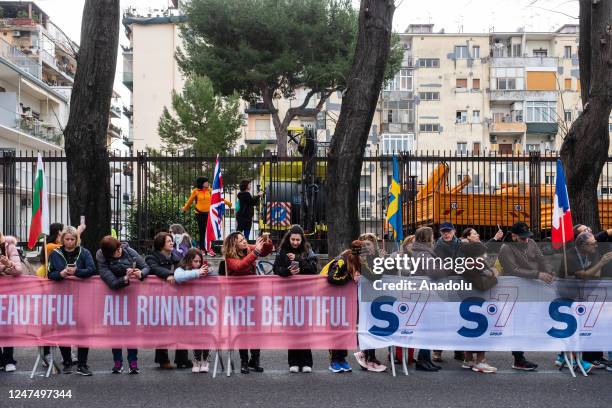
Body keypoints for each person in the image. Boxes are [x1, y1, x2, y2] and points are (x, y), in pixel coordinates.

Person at [498, 221, 553, 371]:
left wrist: (549, 271)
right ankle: (518, 358)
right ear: (514, 236)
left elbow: (542, 259)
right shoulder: (506, 248)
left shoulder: (531, 242)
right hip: (516, 291)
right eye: (522, 238)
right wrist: (537, 274)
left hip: (532, 288)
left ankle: (521, 355)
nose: (526, 240)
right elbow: (513, 269)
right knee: (518, 323)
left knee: (526, 322)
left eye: (527, 237)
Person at [97, 236, 150, 374]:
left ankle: (133, 362)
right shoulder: (102, 257)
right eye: (116, 251)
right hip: (113, 298)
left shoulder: (129, 250)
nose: (119, 251)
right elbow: (111, 282)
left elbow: (145, 267)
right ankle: (117, 362)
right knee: (115, 330)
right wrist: (125, 278)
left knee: (131, 330)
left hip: (131, 296)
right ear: (109, 253)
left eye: (120, 248)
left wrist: (140, 273)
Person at [47, 226, 96, 376]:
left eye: (72, 239)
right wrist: (61, 273)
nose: (70, 242)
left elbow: (92, 269)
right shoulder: (55, 253)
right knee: (63, 329)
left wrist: (77, 272)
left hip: (82, 297)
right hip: (62, 297)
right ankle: (67, 362)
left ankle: (82, 364)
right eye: (67, 239)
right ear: (62, 240)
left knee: (83, 329)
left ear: (77, 239)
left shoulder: (84, 252)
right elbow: (50, 274)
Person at [223, 231, 273, 373]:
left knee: (256, 329)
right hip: (238, 298)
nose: (244, 241)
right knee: (243, 330)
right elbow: (240, 266)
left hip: (253, 295)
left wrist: (266, 241)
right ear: (234, 244)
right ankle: (244, 361)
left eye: (244, 238)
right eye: (240, 240)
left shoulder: (249, 249)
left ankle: (254, 360)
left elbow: (265, 251)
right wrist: (256, 251)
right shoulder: (229, 257)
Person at [273, 225, 319, 373]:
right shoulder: (282, 250)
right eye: (292, 239)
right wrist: (287, 271)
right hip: (289, 295)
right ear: (289, 238)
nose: (295, 242)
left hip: (305, 295)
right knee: (292, 328)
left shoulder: (307, 250)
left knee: (305, 328)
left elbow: (313, 269)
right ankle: (293, 362)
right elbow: (276, 269)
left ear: (302, 239)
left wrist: (298, 260)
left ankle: (307, 362)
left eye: (297, 240)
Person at [145, 232, 192, 369]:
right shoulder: (151, 257)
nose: (172, 243)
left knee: (182, 326)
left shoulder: (177, 256)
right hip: (160, 298)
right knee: (162, 328)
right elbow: (155, 269)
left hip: (177, 296)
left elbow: (184, 268)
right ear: (161, 244)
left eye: (172, 241)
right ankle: (162, 359)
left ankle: (182, 358)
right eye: (168, 241)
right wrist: (170, 275)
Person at [457, 228, 500, 373]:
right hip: (475, 300)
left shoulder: (468, 260)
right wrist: (494, 276)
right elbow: (481, 285)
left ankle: (468, 359)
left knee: (470, 327)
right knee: (481, 327)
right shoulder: (470, 263)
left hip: (468, 299)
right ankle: (480, 361)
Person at [410, 226, 448, 372]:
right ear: (427, 237)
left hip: (422, 293)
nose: (434, 238)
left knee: (426, 327)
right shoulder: (424, 254)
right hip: (424, 294)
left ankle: (425, 358)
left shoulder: (420, 252)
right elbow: (433, 272)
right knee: (426, 327)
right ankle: (423, 359)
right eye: (432, 236)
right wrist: (446, 267)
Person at [325, 240, 364, 373]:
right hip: (333, 299)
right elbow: (331, 278)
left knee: (345, 329)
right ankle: (334, 360)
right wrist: (350, 277)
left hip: (346, 300)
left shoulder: (359, 261)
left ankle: (342, 358)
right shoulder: (342, 260)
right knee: (336, 328)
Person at [353, 233, 387, 373]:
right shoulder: (360, 260)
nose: (366, 247)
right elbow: (374, 276)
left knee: (373, 326)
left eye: (369, 244)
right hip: (363, 298)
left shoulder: (377, 258)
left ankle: (371, 356)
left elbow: (384, 273)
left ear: (374, 246)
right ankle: (365, 355)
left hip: (376, 297)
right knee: (364, 326)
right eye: (364, 245)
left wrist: (383, 260)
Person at [174, 248, 211, 373]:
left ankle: (205, 360)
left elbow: (214, 275)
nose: (198, 264)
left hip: (204, 306)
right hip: (189, 307)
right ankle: (196, 360)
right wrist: (197, 272)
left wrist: (208, 271)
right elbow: (178, 277)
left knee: (205, 333)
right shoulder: (181, 269)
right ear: (189, 260)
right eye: (195, 261)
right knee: (196, 334)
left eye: (200, 261)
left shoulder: (203, 268)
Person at [432, 222, 463, 363]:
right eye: (444, 231)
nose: (446, 233)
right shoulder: (437, 247)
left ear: (454, 231)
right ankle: (437, 351)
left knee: (459, 317)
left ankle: (459, 350)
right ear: (440, 232)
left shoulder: (461, 245)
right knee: (441, 319)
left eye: (448, 231)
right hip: (443, 284)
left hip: (459, 284)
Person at [182, 176, 232, 250]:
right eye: (206, 182)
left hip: (209, 214)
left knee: (209, 231)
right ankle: (202, 248)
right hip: (199, 213)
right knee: (202, 231)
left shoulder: (210, 190)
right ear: (202, 183)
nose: (208, 183)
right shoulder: (195, 191)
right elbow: (190, 201)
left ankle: (209, 248)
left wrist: (228, 203)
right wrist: (185, 208)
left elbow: (219, 198)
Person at [0, 232, 23, 373]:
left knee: (8, 326)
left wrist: (9, 264)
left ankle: (9, 359)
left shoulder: (10, 247)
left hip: (7, 294)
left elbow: (18, 270)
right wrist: (3, 268)